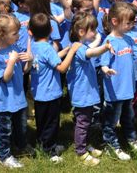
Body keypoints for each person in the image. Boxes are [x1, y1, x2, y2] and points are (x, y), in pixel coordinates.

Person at [99, 2, 137, 160]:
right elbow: (103, 64)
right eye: (128, 23)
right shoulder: (109, 43)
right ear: (115, 22)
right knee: (111, 120)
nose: (132, 25)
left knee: (128, 117)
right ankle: (111, 145)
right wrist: (107, 70)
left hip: (128, 90)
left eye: (133, 22)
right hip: (114, 92)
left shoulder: (129, 40)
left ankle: (131, 139)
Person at [29, 13, 80, 163]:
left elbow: (50, 58)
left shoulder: (34, 45)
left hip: (38, 93)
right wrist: (72, 51)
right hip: (51, 94)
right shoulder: (47, 48)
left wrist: (65, 50)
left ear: (30, 32)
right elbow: (62, 68)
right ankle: (50, 150)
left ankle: (41, 143)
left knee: (41, 121)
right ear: (52, 30)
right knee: (51, 123)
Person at [67, 13, 110, 166]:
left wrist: (99, 39)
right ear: (81, 32)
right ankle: (81, 151)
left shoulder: (81, 45)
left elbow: (92, 46)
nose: (96, 32)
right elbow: (92, 52)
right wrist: (104, 47)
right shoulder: (79, 48)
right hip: (82, 93)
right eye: (93, 29)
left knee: (87, 121)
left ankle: (85, 144)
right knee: (83, 122)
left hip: (87, 93)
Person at [0, 14, 32, 169]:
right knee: (4, 131)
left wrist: (30, 59)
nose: (18, 36)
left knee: (21, 127)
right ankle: (4, 155)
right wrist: (12, 61)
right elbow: (6, 78)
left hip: (19, 99)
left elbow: (24, 70)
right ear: (2, 34)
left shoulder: (14, 48)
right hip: (4, 103)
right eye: (14, 33)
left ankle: (21, 145)